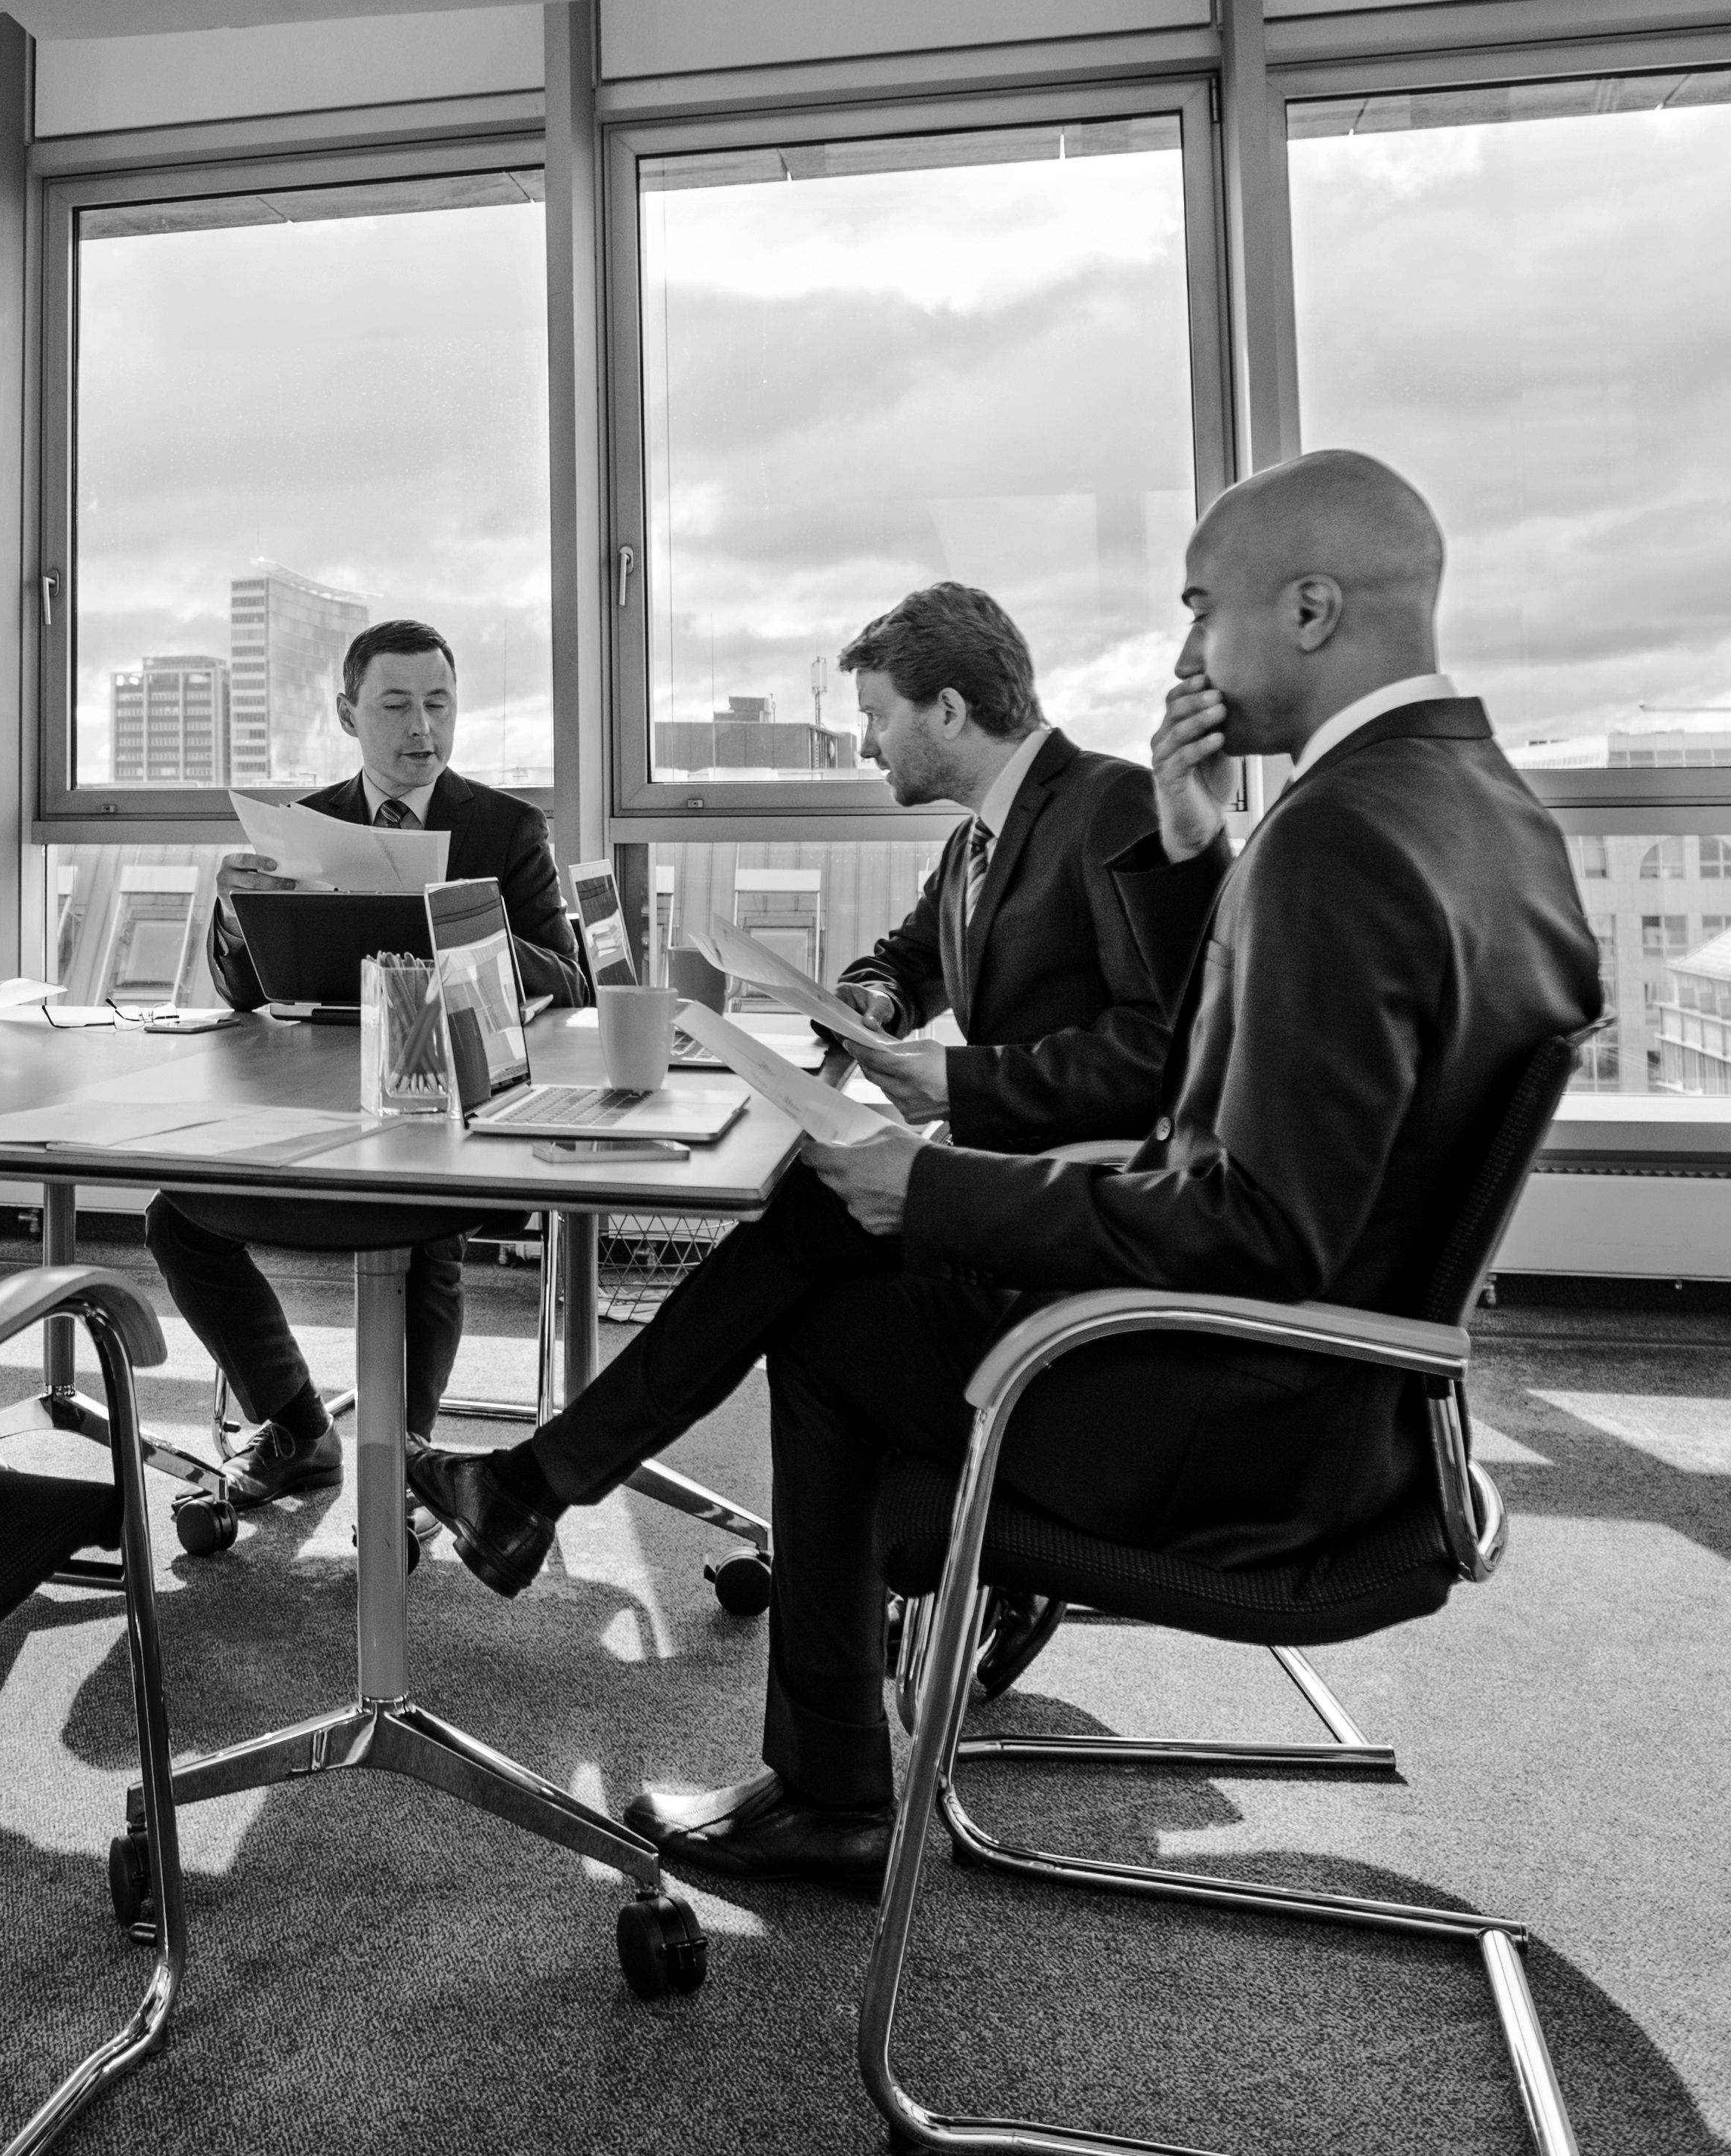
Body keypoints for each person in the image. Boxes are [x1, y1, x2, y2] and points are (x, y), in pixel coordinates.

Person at [411, 452, 1596, 1896]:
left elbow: (1253, 1218)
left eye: (1199, 610)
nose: (1181, 655)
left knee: (836, 1320)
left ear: (1309, 609)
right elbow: (1236, 1098)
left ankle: (820, 1763)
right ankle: (564, 1512)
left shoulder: (1340, 835)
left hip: (1250, 1424)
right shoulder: (1483, 809)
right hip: (1348, 1404)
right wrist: (1183, 850)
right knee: (830, 1221)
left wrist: (941, 1186)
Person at [148, 618, 592, 1507]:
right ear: (350, 713)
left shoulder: (506, 829)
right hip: (316, 1102)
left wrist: (466, 928)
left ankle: (408, 1462)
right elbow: (242, 993)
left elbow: (571, 982)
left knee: (423, 1228)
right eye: (396, 705)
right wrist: (238, 913)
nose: (421, 726)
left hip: (443, 1102)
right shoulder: (306, 826)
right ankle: (300, 1427)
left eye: (439, 703)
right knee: (176, 1219)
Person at [811, 581, 1186, 1151]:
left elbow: (1160, 1045)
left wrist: (963, 1085)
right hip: (1000, 1155)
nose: (866, 747)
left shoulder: (1118, 805)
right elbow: (912, 963)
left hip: (1073, 1180)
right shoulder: (973, 839)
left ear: (949, 711)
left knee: (798, 1207)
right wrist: (877, 997)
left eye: (876, 718)